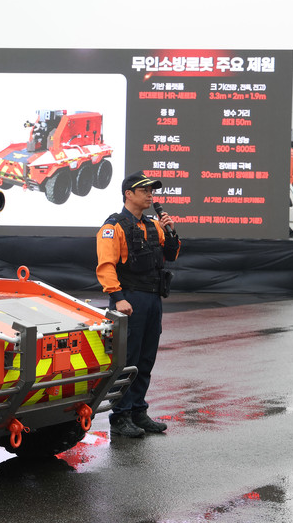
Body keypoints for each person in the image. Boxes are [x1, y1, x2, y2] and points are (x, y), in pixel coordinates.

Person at [96, 170, 180, 437]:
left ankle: (138, 411)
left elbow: (171, 254)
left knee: (146, 358)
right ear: (128, 194)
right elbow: (106, 266)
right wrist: (118, 298)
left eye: (151, 191)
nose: (150, 195)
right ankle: (120, 416)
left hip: (153, 299)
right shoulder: (114, 227)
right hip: (129, 299)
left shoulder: (155, 225)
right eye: (144, 190)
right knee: (127, 360)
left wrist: (172, 230)